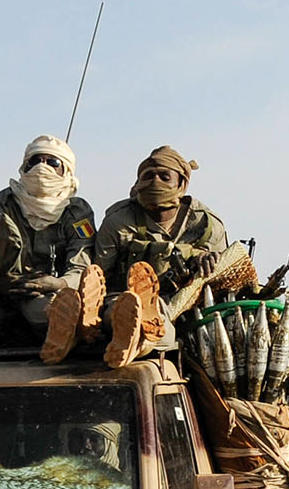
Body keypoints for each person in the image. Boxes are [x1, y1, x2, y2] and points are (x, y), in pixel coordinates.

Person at [85, 145, 230, 367]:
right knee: (123, 313)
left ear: (181, 184)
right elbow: (100, 278)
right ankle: (134, 333)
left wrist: (206, 260)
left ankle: (135, 343)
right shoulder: (119, 221)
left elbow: (224, 285)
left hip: (185, 311)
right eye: (148, 176)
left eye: (164, 176)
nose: (155, 182)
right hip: (124, 299)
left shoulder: (206, 225)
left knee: (167, 330)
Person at [0, 135, 98, 361]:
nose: (42, 167)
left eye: (52, 163)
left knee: (59, 307)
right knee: (49, 310)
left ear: (66, 171)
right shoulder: (2, 203)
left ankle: (80, 329)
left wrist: (58, 283)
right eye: (35, 161)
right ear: (24, 166)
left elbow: (81, 262)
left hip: (57, 289)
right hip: (9, 288)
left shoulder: (77, 212)